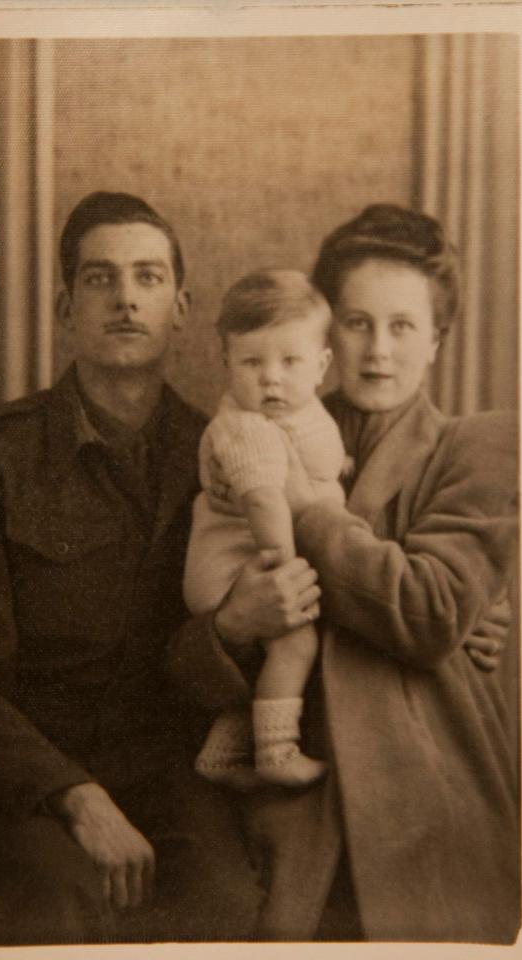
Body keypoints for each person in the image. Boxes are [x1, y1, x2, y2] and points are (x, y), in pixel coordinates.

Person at [169, 204, 520, 943]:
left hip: (427, 799)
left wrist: (302, 507)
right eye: (357, 324)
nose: (378, 351)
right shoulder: (249, 428)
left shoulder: (478, 448)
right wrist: (233, 625)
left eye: (402, 327)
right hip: (297, 806)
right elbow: (173, 655)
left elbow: (428, 613)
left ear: (437, 341)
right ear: (326, 339)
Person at [0, 191, 262, 945]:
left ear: (181, 306)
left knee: (230, 901)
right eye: (100, 279)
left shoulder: (221, 455)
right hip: (25, 783)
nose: (126, 298)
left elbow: (324, 553)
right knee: (63, 900)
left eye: (148, 278)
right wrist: (73, 796)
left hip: (164, 772)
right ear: (65, 307)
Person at [183, 270, 346, 790]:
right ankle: (277, 750)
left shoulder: (302, 412)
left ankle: (224, 752)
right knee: (293, 642)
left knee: (258, 663)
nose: (271, 378)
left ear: (321, 366)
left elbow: (317, 461)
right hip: (235, 567)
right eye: (252, 362)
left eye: (289, 362)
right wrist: (285, 569)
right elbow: (264, 500)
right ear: (226, 363)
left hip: (248, 562)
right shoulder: (247, 428)